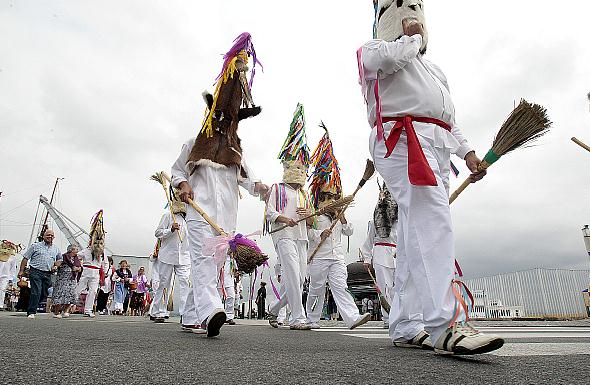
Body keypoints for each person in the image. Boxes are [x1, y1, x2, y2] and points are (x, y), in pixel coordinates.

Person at [357, 0, 503, 354]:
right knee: (432, 219)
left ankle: (406, 324)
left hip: (436, 146)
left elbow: (449, 119)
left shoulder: (436, 71)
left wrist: (467, 154)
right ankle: (446, 324)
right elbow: (389, 60)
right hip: (402, 138)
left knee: (411, 234)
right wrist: (410, 40)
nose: (413, 16)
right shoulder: (372, 51)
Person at [172, 32, 267, 337]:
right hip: (200, 214)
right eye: (221, 118)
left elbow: (250, 181)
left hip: (225, 220)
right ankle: (212, 311)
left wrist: (262, 189)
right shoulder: (194, 144)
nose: (225, 123)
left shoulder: (235, 152)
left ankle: (189, 315)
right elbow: (177, 171)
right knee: (201, 261)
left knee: (211, 267)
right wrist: (183, 184)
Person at [305, 130, 371, 330]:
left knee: (340, 286)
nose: (331, 199)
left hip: (337, 257)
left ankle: (352, 317)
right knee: (316, 289)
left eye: (333, 196)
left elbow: (349, 232)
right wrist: (319, 235)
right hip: (319, 257)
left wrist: (342, 216)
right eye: (327, 196)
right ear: (321, 197)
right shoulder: (314, 214)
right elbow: (308, 234)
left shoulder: (338, 215)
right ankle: (312, 319)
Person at [265, 104, 313, 331]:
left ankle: (274, 309)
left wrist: (308, 215)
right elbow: (270, 213)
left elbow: (311, 221)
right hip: (283, 236)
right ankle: (298, 318)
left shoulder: (304, 194)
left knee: (299, 280)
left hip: (301, 238)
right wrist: (286, 219)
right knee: (292, 275)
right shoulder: (277, 188)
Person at [360, 182, 398, 328]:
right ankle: (388, 318)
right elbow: (368, 243)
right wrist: (367, 258)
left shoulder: (401, 222)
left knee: (397, 288)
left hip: (397, 255)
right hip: (381, 253)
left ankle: (399, 315)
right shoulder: (374, 222)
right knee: (384, 287)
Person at [151, 194, 191, 323]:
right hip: (167, 255)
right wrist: (170, 230)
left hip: (184, 257)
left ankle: (185, 313)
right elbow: (158, 233)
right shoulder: (168, 216)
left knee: (186, 282)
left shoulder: (189, 220)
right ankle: (158, 311)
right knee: (164, 283)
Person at [18, 229, 61, 318]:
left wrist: (56, 266)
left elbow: (60, 259)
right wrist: (21, 271)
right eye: (48, 235)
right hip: (35, 271)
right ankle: (31, 312)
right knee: (36, 291)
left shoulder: (56, 248)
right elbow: (25, 258)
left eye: (52, 235)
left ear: (54, 237)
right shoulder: (35, 246)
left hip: (48, 273)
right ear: (43, 236)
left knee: (44, 293)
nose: (50, 237)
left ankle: (29, 303)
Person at [76, 210, 107, 318]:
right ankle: (68, 305)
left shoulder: (102, 252)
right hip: (86, 271)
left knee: (93, 291)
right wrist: (77, 266)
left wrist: (105, 272)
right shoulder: (86, 251)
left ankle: (88, 310)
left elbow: (105, 263)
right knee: (79, 289)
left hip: (96, 273)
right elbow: (75, 257)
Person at [52, 244, 82, 318]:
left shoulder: (76, 259)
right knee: (59, 295)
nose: (77, 251)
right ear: (71, 250)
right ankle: (57, 311)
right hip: (62, 279)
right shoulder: (64, 256)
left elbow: (80, 268)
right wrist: (56, 266)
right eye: (76, 249)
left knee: (71, 295)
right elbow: (57, 263)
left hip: (71, 280)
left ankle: (66, 310)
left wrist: (78, 269)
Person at [0, 242, 18, 311]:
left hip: (5, 276)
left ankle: (0, 305)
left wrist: (10, 279)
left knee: (2, 290)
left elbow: (12, 269)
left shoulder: (12, 258)